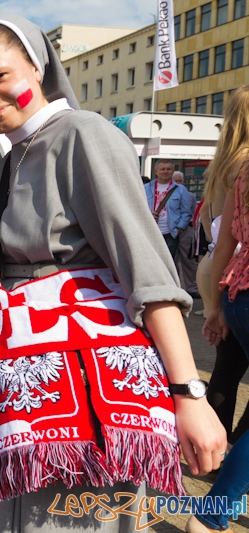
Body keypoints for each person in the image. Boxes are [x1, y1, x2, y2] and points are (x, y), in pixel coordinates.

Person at [0, 15, 225, 532]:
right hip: (22, 371)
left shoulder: (83, 133)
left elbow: (147, 271)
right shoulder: (14, 156)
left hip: (74, 379)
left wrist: (190, 395)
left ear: (36, 66)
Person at [193, 85, 249, 533]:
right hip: (234, 280)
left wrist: (214, 306)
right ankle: (213, 512)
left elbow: (225, 234)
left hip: (229, 280)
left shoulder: (234, 164)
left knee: (228, 372)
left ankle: (210, 457)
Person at [145, 160, 193, 259]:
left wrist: (179, 229)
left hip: (170, 233)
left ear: (173, 171)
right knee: (150, 261)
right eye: (162, 169)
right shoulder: (146, 188)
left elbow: (186, 212)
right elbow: (138, 207)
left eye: (168, 169)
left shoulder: (180, 189)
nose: (165, 171)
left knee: (168, 264)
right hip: (150, 231)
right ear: (156, 171)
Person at [174, 171, 200, 297]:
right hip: (171, 231)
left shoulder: (190, 196)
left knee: (188, 260)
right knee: (172, 260)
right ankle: (175, 288)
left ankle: (192, 288)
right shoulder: (166, 195)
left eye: (180, 181)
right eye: (176, 181)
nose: (179, 183)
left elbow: (194, 213)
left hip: (187, 231)